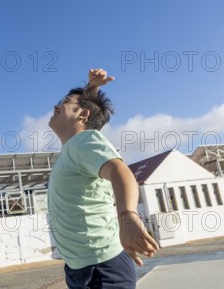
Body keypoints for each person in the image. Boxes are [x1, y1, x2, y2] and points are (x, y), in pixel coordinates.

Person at [47, 68, 159, 289]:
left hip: (100, 268)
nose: (56, 106)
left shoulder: (84, 141)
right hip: (82, 267)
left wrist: (127, 217)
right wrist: (91, 88)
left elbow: (121, 172)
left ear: (83, 115)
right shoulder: (75, 147)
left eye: (64, 102)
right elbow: (85, 109)